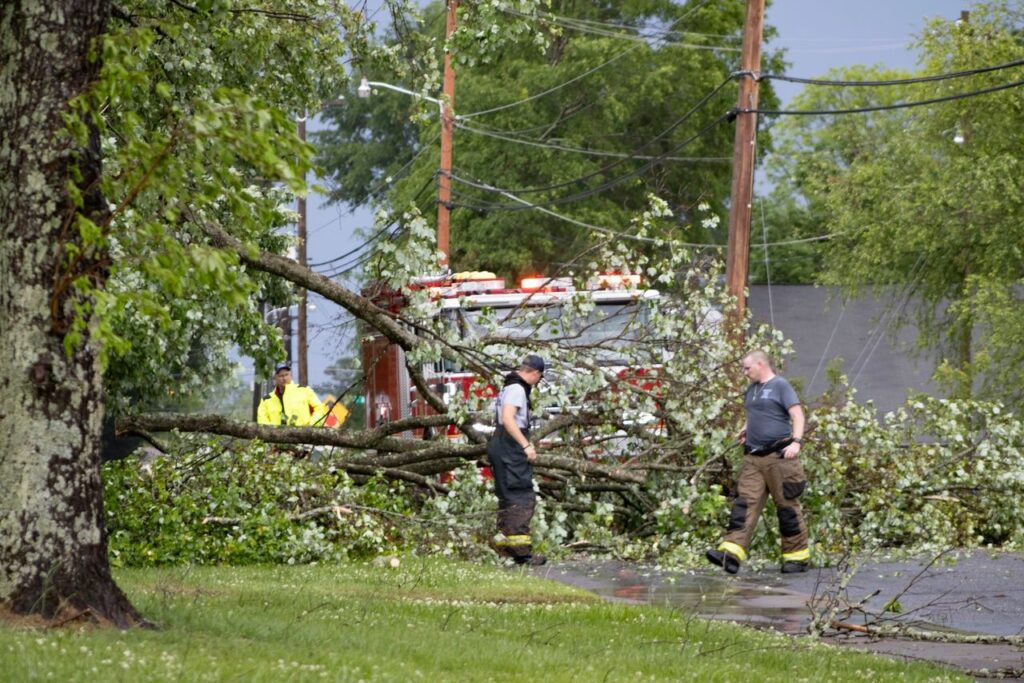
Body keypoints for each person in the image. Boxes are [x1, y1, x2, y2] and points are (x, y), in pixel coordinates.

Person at [707, 350, 810, 575]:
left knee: (787, 507)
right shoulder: (752, 390)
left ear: (761, 364)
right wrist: (746, 429)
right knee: (744, 504)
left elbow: (798, 416)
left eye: (747, 368)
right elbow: (753, 414)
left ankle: (796, 558)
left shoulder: (780, 386)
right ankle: (731, 554)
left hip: (779, 458)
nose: (744, 372)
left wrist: (797, 443)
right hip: (753, 457)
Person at [488, 354, 547, 566]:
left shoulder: (509, 386)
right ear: (536, 374)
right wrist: (526, 445)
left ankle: (504, 548)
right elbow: (507, 419)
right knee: (521, 496)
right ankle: (522, 553)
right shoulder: (517, 389)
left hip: (502, 445)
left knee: (507, 497)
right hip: (509, 447)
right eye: (538, 379)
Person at [257, 363, 327, 427]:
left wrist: (311, 426)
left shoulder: (304, 390)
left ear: (291, 375)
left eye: (286, 375)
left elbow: (320, 409)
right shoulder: (266, 400)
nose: (284, 378)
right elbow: (262, 425)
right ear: (275, 378)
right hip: (277, 439)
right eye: (281, 376)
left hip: (304, 438)